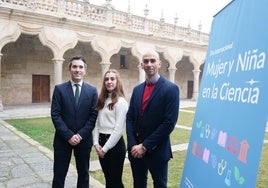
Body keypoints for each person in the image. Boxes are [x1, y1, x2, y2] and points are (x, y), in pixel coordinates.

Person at [126, 50, 180, 188]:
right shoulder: (137, 89)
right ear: (141, 65)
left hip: (157, 150)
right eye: (146, 61)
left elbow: (169, 123)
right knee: (138, 184)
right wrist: (133, 145)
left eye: (152, 61)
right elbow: (130, 117)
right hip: (135, 152)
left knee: (160, 185)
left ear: (159, 64)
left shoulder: (171, 89)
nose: (149, 64)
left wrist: (144, 146)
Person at [51, 55, 98, 188]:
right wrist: (69, 135)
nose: (78, 70)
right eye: (75, 66)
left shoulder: (92, 91)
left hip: (83, 140)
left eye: (81, 67)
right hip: (62, 140)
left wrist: (80, 135)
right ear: (69, 69)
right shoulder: (59, 89)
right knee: (59, 174)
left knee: (83, 174)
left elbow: (93, 116)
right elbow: (55, 115)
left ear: (85, 70)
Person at [93, 69, 128, 188]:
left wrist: (105, 149)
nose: (109, 81)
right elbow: (98, 123)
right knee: (108, 179)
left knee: (115, 181)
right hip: (101, 143)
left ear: (118, 81)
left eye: (112, 79)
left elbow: (118, 130)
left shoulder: (121, 102)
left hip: (115, 146)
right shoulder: (102, 100)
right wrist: (96, 143)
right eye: (106, 79)